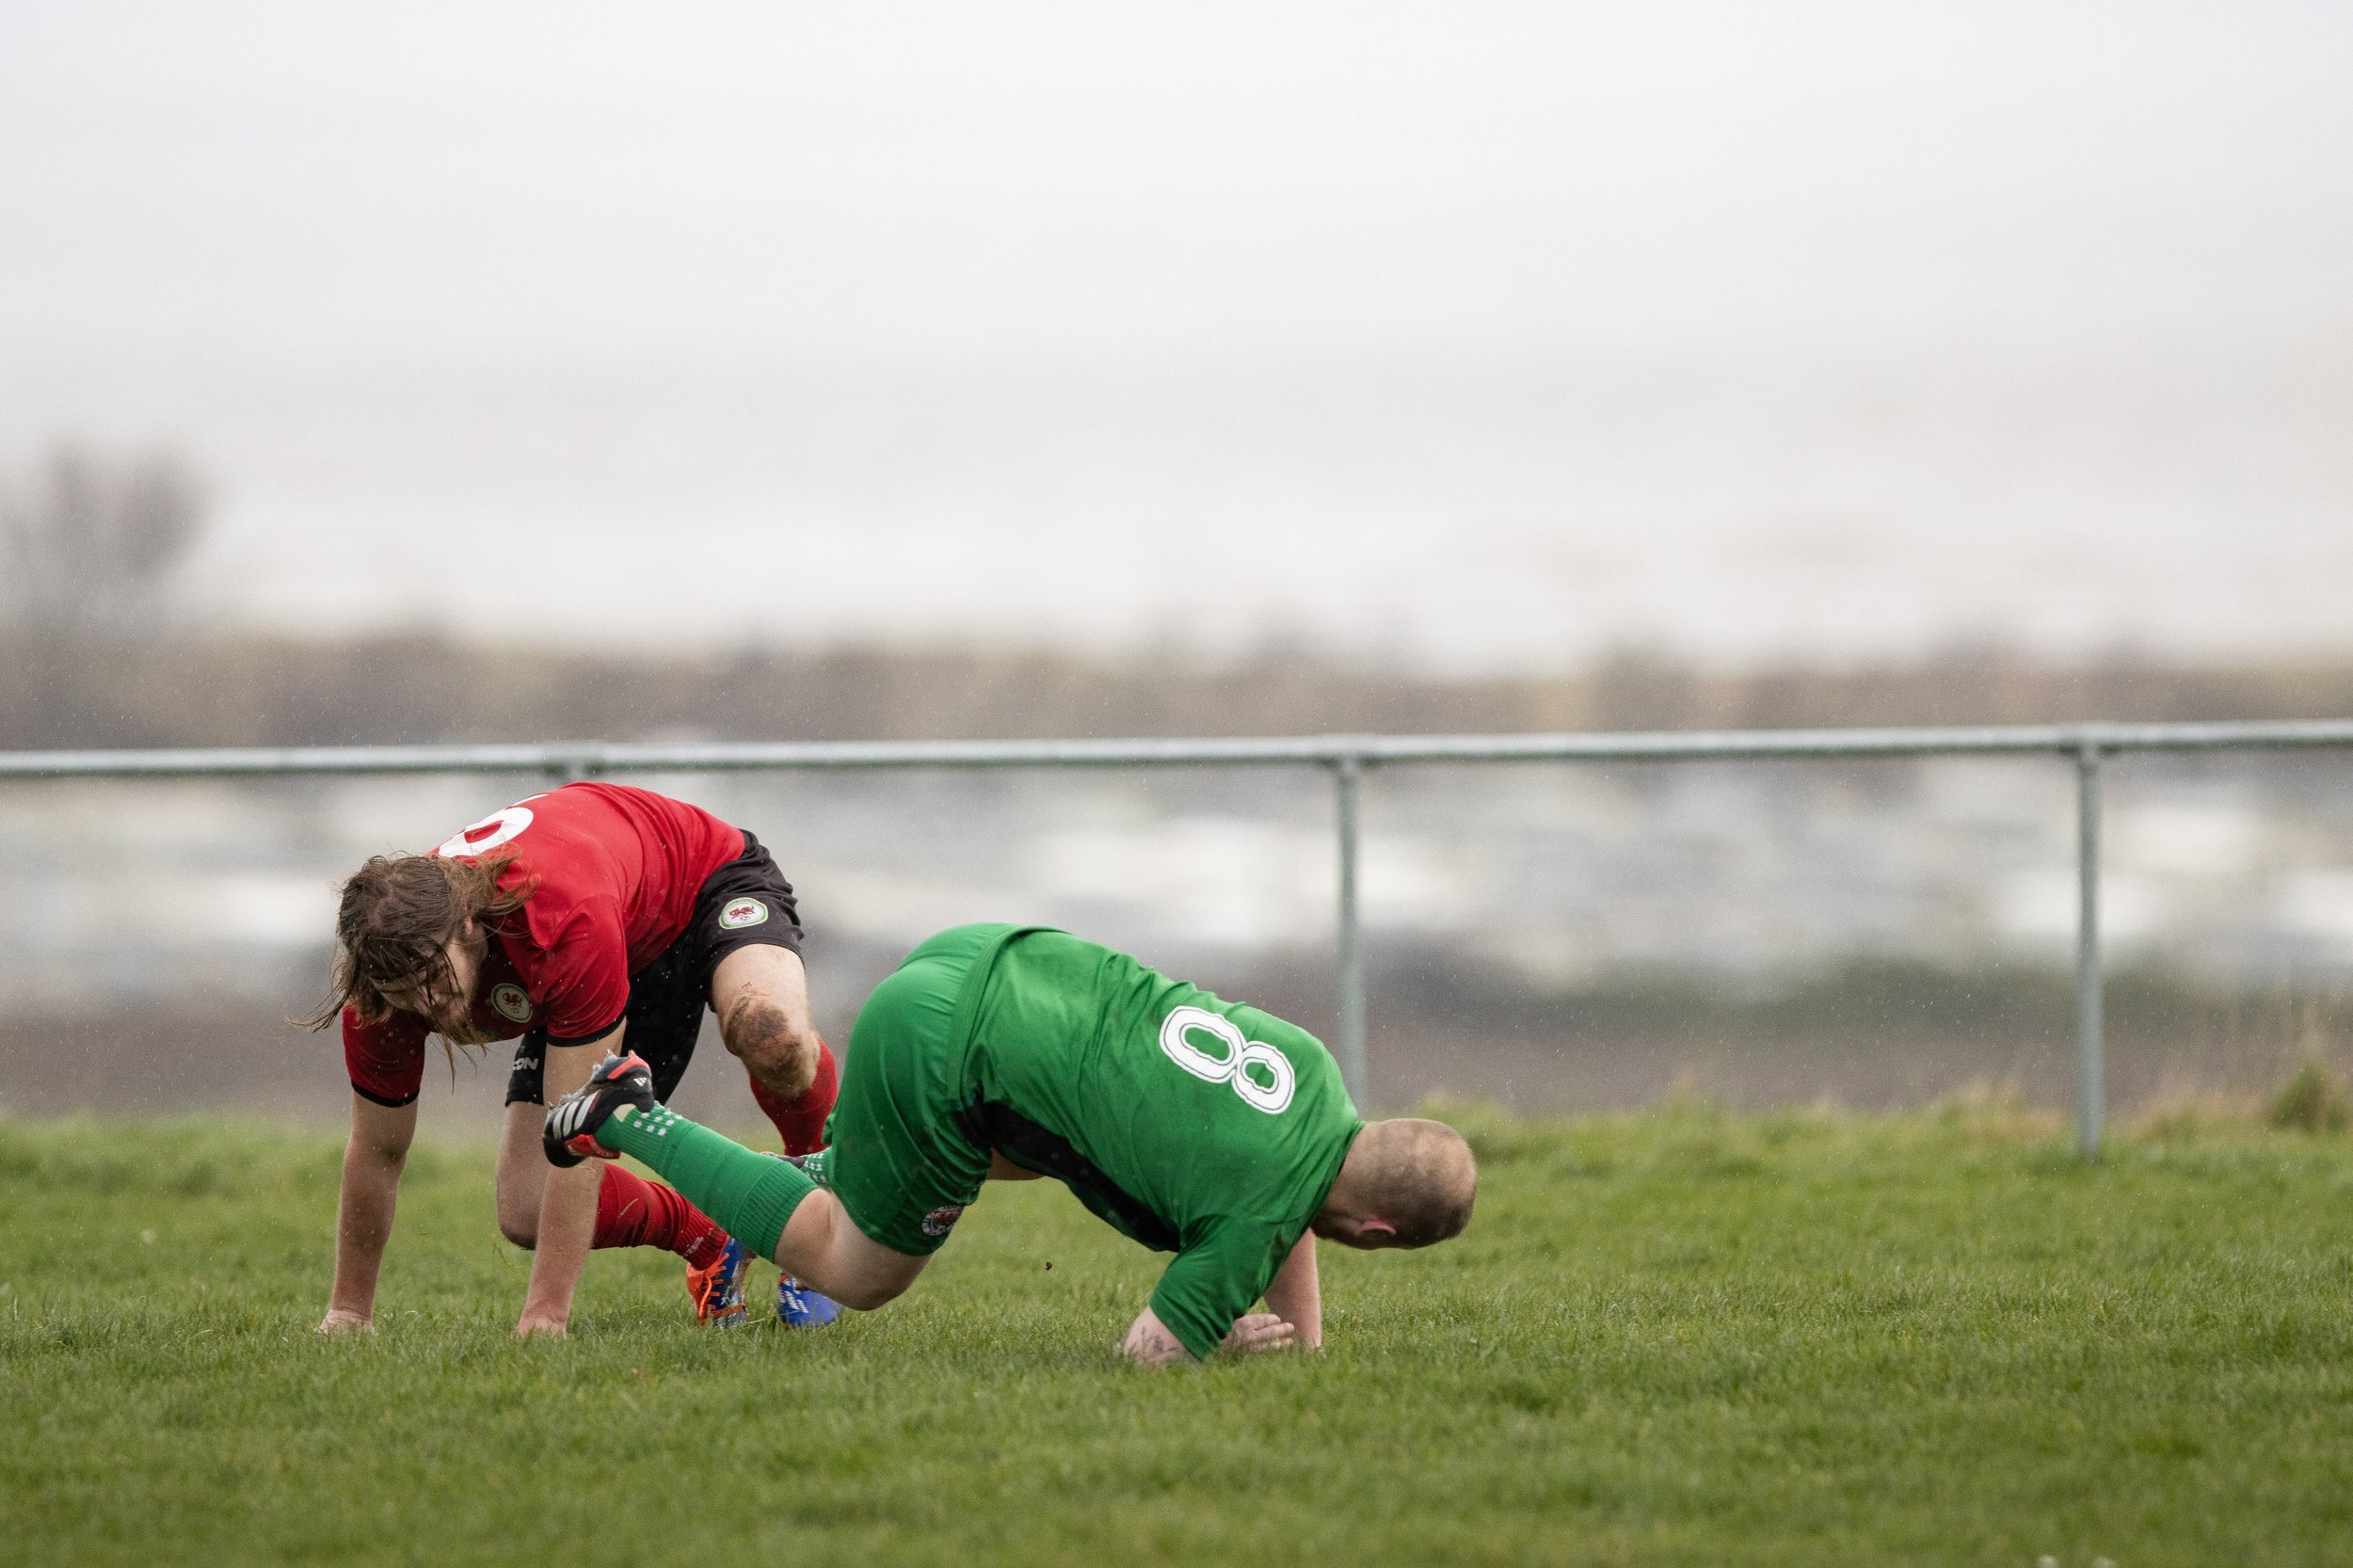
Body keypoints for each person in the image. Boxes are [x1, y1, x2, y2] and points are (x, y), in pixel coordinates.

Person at [545, 922, 1477, 1363]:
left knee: (1052, 1141)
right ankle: (626, 1109)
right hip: (946, 1059)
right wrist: (1224, 1341)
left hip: (984, 957)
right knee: (859, 1268)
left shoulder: (1313, 1076)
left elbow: (1294, 1192)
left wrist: (1303, 1350)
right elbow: (1145, 1357)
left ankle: (815, 1175)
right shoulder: (1252, 1220)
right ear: (1379, 1232)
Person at [311, 781, 843, 1336]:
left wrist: (545, 1317)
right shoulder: (379, 997)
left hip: (704, 879)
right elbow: (378, 1151)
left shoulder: (556, 922)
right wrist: (349, 1315)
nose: (425, 1004)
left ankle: (822, 1216)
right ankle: (714, 1233)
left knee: (771, 1037)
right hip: (617, 937)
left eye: (432, 977)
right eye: (403, 990)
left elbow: (583, 1134)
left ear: (466, 924)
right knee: (524, 1207)